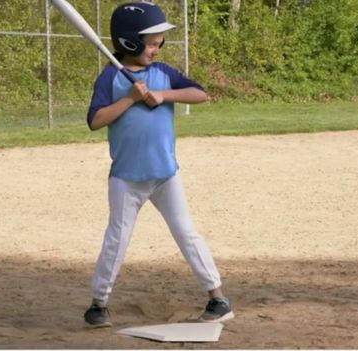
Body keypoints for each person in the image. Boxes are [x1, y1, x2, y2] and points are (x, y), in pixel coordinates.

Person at [83, 2, 234, 328]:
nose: (157, 48)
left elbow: (200, 94)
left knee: (186, 233)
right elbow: (95, 120)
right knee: (117, 239)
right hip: (126, 178)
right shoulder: (110, 77)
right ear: (129, 42)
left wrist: (163, 96)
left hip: (165, 175)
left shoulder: (163, 74)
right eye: (151, 42)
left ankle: (217, 298)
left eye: (159, 42)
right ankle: (98, 304)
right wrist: (130, 99)